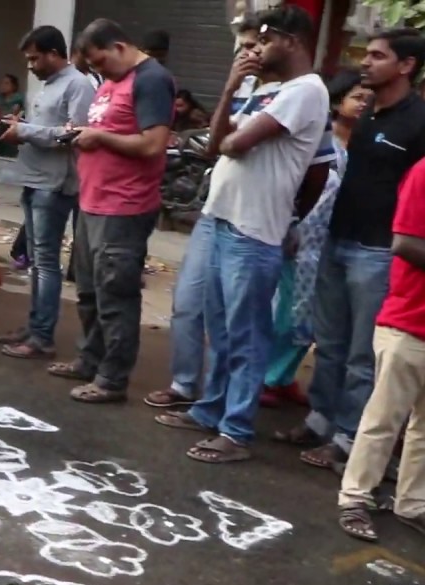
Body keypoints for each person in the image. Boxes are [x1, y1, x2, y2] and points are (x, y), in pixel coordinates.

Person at [153, 5, 329, 463]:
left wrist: (292, 219)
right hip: (220, 218)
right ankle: (210, 410)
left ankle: (236, 431)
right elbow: (215, 146)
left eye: (264, 41)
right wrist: (232, 88)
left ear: (291, 41)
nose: (255, 50)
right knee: (222, 330)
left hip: (254, 230)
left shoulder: (306, 91)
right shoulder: (266, 92)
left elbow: (234, 144)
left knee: (247, 335)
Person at [276, 28, 425, 471]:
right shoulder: (368, 113)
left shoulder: (418, 121)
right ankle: (320, 419)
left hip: (378, 251)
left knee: (362, 353)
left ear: (407, 66)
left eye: (378, 56)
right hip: (337, 240)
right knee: (330, 342)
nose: (366, 62)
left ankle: (348, 437)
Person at [48, 19, 174, 403]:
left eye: (101, 62)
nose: (99, 71)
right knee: (89, 290)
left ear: (119, 47)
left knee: (115, 294)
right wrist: (83, 134)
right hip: (93, 200)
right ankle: (90, 359)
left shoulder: (151, 80)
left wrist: (99, 136)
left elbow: (153, 144)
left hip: (124, 205)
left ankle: (112, 378)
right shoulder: (112, 82)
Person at [261, 71, 368, 409]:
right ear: (337, 102)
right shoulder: (321, 142)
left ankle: (283, 376)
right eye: (357, 97)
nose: (363, 104)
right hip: (300, 240)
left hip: (332, 244)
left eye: (368, 99)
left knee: (311, 319)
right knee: (286, 312)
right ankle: (267, 377)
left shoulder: (364, 146)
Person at [336, 154, 425, 542]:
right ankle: (355, 497)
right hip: (408, 322)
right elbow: (404, 243)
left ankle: (413, 503)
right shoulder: (423, 173)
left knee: (422, 429)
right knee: (383, 420)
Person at [0, 26, 95, 360]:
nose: (31, 65)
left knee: (46, 262)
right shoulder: (49, 84)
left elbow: (74, 134)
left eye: (35, 58)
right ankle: (35, 325)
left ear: (54, 53)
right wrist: (19, 125)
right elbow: (49, 128)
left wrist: (24, 130)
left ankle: (42, 336)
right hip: (35, 180)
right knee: (37, 262)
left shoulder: (78, 84)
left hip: (54, 185)